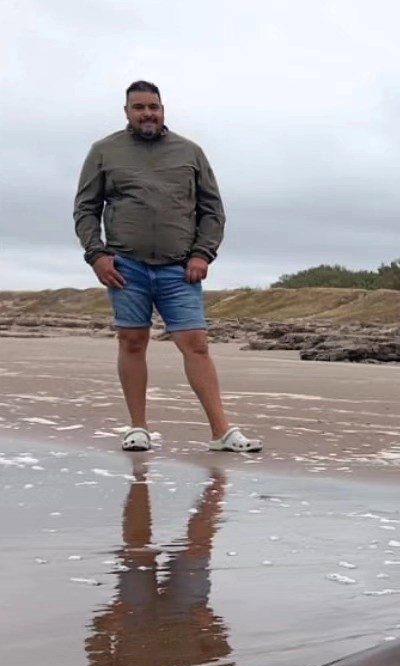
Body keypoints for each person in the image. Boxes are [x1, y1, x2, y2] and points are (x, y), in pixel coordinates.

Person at [73, 80, 261, 454]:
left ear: (163, 110)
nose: (147, 114)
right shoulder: (104, 151)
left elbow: (212, 211)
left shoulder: (190, 152)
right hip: (125, 268)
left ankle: (222, 433)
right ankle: (138, 429)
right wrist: (96, 254)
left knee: (196, 345)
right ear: (126, 112)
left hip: (180, 269)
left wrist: (202, 254)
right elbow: (85, 209)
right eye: (139, 107)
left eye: (153, 107)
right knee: (132, 341)